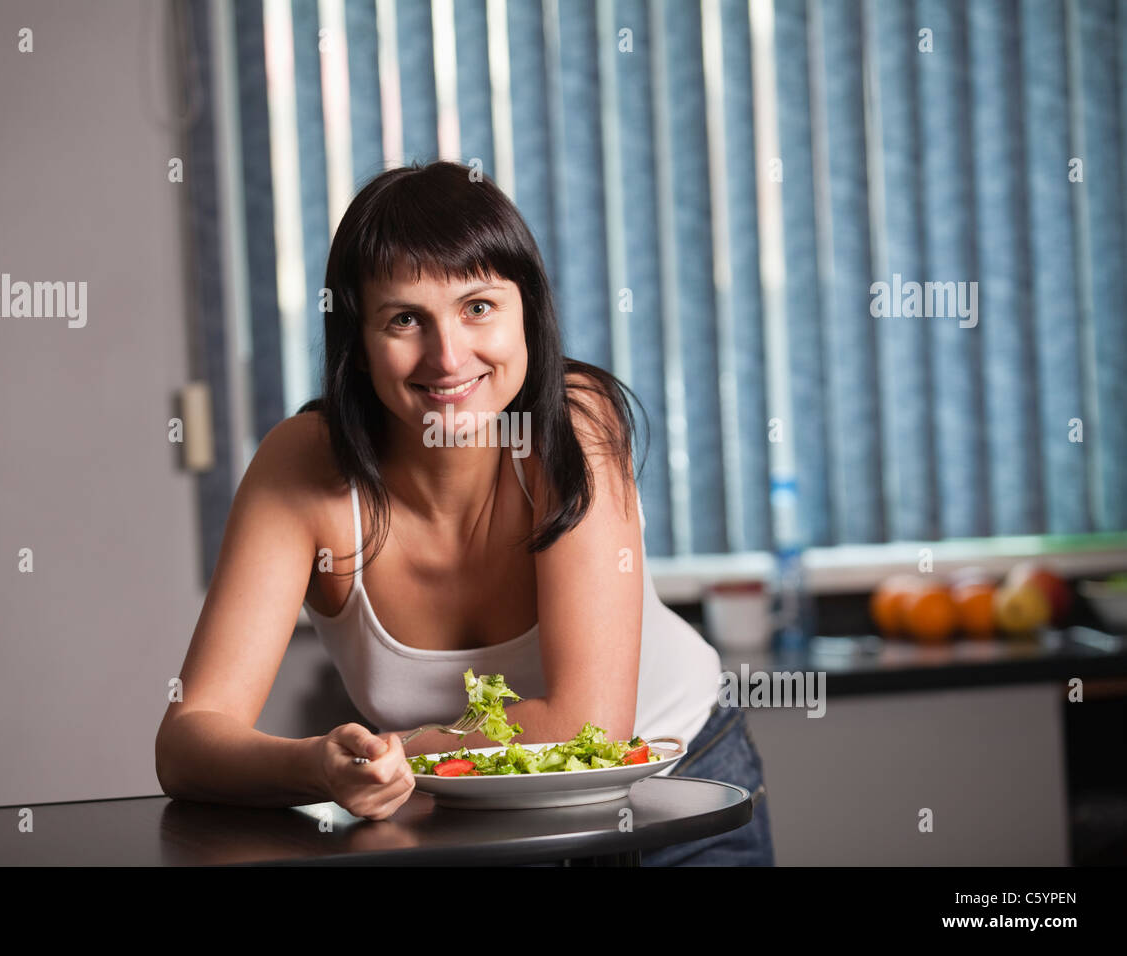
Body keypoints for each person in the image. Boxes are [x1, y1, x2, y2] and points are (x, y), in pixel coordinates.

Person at [155, 160, 774, 865]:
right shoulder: (302, 468)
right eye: (404, 319)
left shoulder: (574, 425)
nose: (448, 357)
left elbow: (589, 726)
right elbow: (187, 741)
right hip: (465, 818)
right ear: (358, 344)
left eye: (478, 307)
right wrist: (320, 766)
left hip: (676, 791)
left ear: (527, 316)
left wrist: (399, 753)